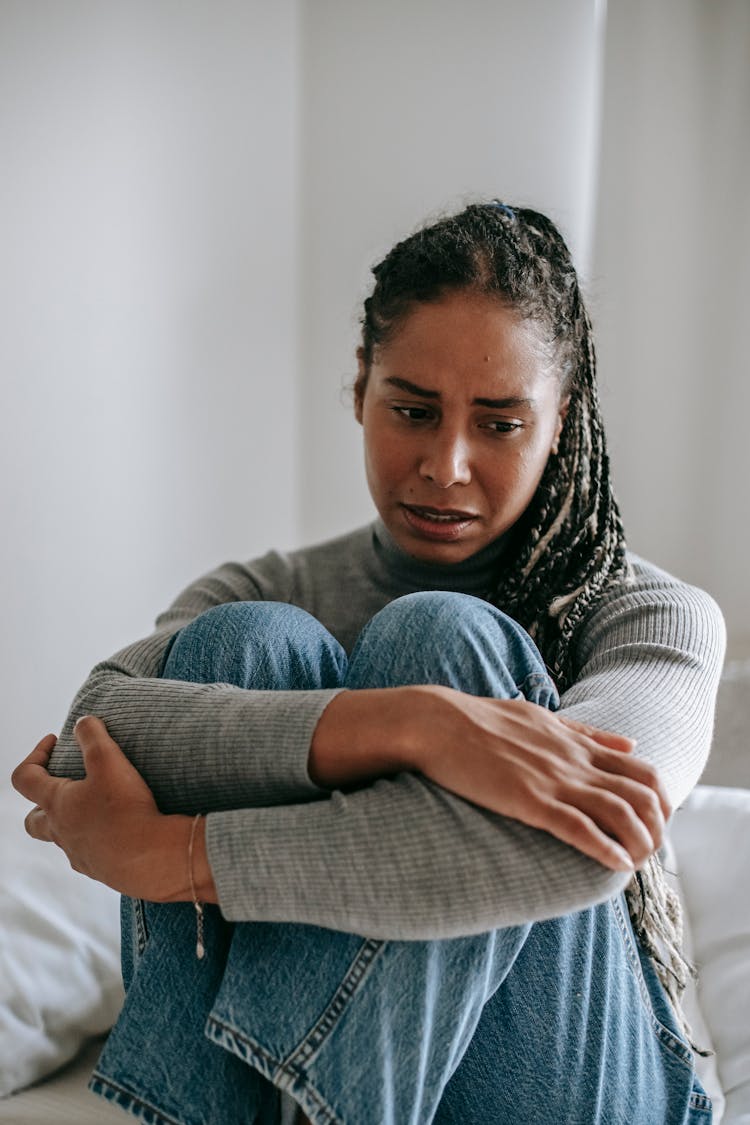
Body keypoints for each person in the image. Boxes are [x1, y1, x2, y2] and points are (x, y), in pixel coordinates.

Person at [12, 201, 725, 1124]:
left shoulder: (644, 614)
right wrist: (418, 727)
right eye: (413, 411)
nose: (447, 464)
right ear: (360, 388)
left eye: (501, 424)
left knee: (444, 636)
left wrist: (178, 855)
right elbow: (89, 741)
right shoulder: (260, 588)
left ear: (562, 421)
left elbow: (584, 843)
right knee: (248, 644)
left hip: (572, 1081)